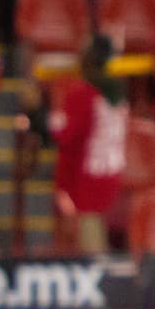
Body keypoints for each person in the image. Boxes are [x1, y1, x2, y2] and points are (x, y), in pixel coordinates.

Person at [50, 35, 128, 253]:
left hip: (89, 172)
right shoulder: (118, 93)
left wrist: (43, 116)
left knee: (90, 223)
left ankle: (98, 277)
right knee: (97, 223)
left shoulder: (85, 94)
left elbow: (64, 134)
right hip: (112, 170)